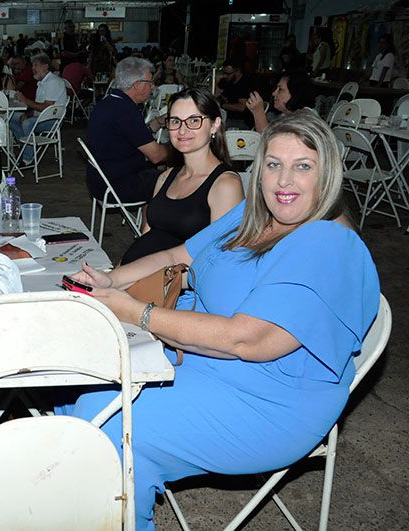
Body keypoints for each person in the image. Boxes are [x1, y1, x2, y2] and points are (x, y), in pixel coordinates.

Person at [65, 110, 380, 530]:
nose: (284, 181)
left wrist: (137, 312)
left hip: (270, 402)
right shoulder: (252, 214)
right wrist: (112, 279)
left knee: (105, 423)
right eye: (274, 165)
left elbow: (246, 340)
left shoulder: (329, 243)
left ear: (328, 177)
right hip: (202, 359)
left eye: (303, 167)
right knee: (75, 378)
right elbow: (178, 255)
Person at [121, 88, 243, 264]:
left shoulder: (225, 185)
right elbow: (145, 238)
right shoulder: (166, 177)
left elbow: (218, 259)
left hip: (173, 278)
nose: (182, 130)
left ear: (215, 125)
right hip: (135, 272)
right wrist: (117, 273)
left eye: (194, 120)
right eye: (175, 121)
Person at [86, 57, 169, 204]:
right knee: (179, 179)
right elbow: (156, 155)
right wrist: (180, 149)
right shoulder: (126, 111)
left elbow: (128, 135)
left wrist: (156, 122)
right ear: (137, 85)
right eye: (150, 82)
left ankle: (148, 217)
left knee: (159, 173)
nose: (152, 87)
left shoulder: (109, 102)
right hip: (118, 185)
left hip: (99, 180)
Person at [9, 53, 68, 165]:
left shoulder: (53, 82)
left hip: (52, 120)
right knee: (11, 117)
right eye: (32, 66)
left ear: (45, 66)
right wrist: (28, 114)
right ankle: (27, 147)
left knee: (27, 123)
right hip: (41, 116)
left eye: (35, 65)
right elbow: (37, 105)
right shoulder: (41, 82)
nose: (33, 68)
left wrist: (25, 100)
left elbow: (46, 107)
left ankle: (28, 159)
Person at [246, 72, 316, 133]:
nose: (273, 93)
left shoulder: (306, 121)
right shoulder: (286, 114)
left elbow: (270, 140)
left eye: (280, 89)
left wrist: (258, 112)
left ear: (295, 93)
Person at [215, 60, 255, 129]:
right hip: (229, 117)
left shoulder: (245, 84)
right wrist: (216, 82)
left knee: (216, 126)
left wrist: (221, 104)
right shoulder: (230, 82)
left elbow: (241, 107)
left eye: (228, 73)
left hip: (242, 121)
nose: (225, 76)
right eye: (224, 73)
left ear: (237, 72)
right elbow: (220, 97)